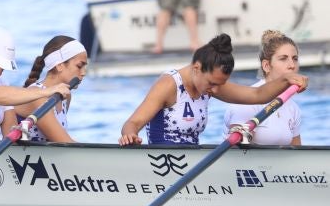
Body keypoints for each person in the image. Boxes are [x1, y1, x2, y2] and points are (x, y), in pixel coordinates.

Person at [119, 33, 307, 146]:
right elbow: (132, 123)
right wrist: (130, 135)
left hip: (191, 164)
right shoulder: (168, 84)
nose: (216, 90)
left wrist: (286, 80)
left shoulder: (210, 86)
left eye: (220, 84)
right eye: (212, 83)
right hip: (161, 163)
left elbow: (257, 95)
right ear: (197, 68)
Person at [223, 30, 302, 145]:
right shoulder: (247, 102)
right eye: (283, 59)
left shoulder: (293, 109)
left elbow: (297, 153)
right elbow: (239, 150)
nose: (292, 65)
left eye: (295, 58)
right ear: (266, 66)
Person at [14, 35, 87, 142]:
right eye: (79, 66)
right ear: (59, 65)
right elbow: (64, 143)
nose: (83, 73)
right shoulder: (38, 98)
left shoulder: (66, 96)